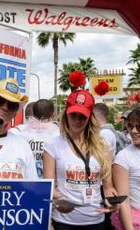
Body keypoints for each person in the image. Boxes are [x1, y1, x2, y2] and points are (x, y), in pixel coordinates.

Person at [43, 88, 117, 229]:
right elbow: (49, 187)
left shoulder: (103, 145)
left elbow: (108, 188)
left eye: (82, 116)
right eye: (73, 114)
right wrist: (57, 200)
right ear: (66, 114)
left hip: (96, 219)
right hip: (64, 221)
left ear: (90, 117)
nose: (77, 120)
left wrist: (113, 202)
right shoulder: (52, 145)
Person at [10, 99, 60, 178]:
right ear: (53, 114)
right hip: (49, 184)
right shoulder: (57, 136)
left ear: (34, 113)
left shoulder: (21, 133)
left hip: (28, 183)